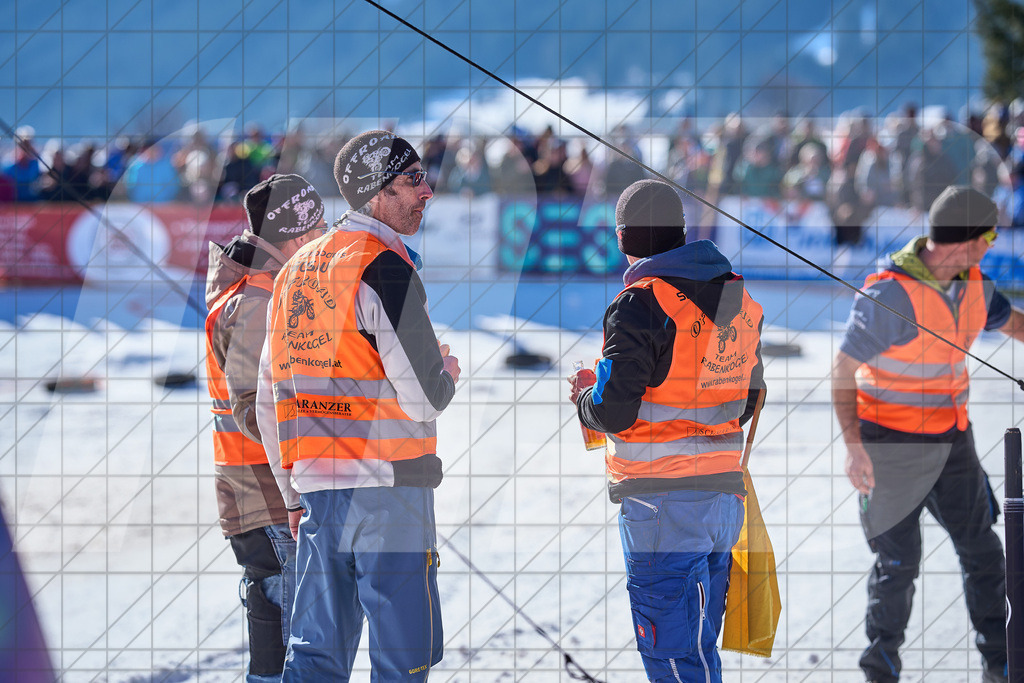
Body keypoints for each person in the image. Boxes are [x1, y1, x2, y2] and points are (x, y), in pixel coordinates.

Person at [260, 130, 461, 681]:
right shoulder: (384, 268)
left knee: (316, 658)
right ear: (376, 194)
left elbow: (268, 399)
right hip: (390, 493)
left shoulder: (294, 273)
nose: (427, 192)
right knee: (403, 658)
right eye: (413, 180)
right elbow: (423, 399)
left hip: (320, 498)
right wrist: (445, 374)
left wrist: (293, 493)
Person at [568, 179, 766, 682]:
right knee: (696, 651)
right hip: (723, 500)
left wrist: (585, 402)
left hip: (662, 503)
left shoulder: (641, 302)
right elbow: (744, 402)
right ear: (679, 234)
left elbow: (614, 412)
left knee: (676, 660)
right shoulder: (737, 301)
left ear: (622, 238)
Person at [832, 186, 1024, 683]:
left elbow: (1014, 324)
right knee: (898, 563)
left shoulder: (975, 285)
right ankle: (881, 669)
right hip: (887, 447)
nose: (992, 244)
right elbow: (842, 369)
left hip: (951, 441)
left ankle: (1001, 662)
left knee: (983, 552)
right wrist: (853, 446)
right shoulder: (890, 293)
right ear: (969, 241)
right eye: (989, 236)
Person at [204, 173, 326, 682]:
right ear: (294, 234)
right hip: (266, 490)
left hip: (260, 485)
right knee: (287, 638)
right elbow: (252, 407)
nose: (323, 236)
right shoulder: (257, 298)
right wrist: (326, 434)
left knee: (280, 621)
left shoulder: (264, 285)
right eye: (316, 225)